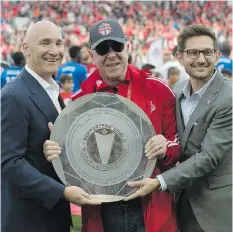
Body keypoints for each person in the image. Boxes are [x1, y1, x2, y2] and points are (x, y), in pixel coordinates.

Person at [43, 19, 181, 232]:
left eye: (116, 46)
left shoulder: (159, 90)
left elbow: (178, 146)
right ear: (92, 55)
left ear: (128, 47)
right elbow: (68, 159)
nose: (111, 54)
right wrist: (54, 150)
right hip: (103, 209)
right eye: (102, 49)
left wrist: (165, 148)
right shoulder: (80, 101)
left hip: (152, 206)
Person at [126, 24, 232, 232]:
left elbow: (208, 158)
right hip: (180, 202)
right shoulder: (176, 91)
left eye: (207, 52)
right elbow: (174, 139)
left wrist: (158, 182)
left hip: (214, 209)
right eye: (193, 53)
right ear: (180, 56)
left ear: (217, 55)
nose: (201, 59)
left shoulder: (228, 98)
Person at [1, 21, 99, 232]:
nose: (54, 51)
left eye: (58, 43)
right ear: (26, 48)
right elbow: (9, 162)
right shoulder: (13, 95)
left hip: (51, 216)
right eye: (45, 43)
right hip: (28, 220)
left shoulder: (51, 91)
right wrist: (61, 192)